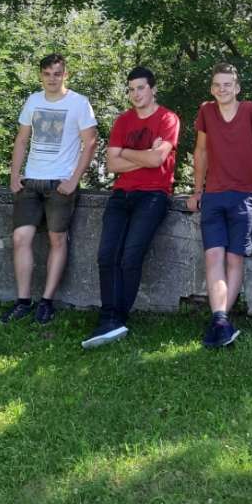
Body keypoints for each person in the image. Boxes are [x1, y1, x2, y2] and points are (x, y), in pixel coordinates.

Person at [81, 66, 179, 348]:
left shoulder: (167, 119)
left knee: (130, 256)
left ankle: (115, 318)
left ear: (153, 89)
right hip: (121, 195)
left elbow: (157, 162)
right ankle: (109, 318)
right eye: (131, 89)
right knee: (106, 254)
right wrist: (145, 155)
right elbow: (112, 164)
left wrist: (127, 153)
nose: (135, 94)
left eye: (141, 88)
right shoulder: (123, 121)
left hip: (153, 196)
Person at [2, 54, 98, 325]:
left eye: (57, 73)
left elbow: (90, 143)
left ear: (65, 74)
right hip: (31, 181)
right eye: (47, 74)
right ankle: (22, 301)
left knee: (57, 240)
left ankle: (46, 302)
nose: (52, 78)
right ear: (40, 76)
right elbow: (21, 139)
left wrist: (73, 180)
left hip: (60, 183)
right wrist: (14, 175)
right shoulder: (33, 101)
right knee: (21, 239)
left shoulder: (79, 103)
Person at [186, 63, 252, 348]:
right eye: (217, 85)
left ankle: (220, 321)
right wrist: (197, 190)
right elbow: (200, 152)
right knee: (213, 257)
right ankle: (221, 319)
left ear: (237, 87)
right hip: (213, 195)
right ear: (212, 89)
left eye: (227, 84)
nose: (221, 89)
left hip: (244, 196)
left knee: (234, 259)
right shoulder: (206, 111)